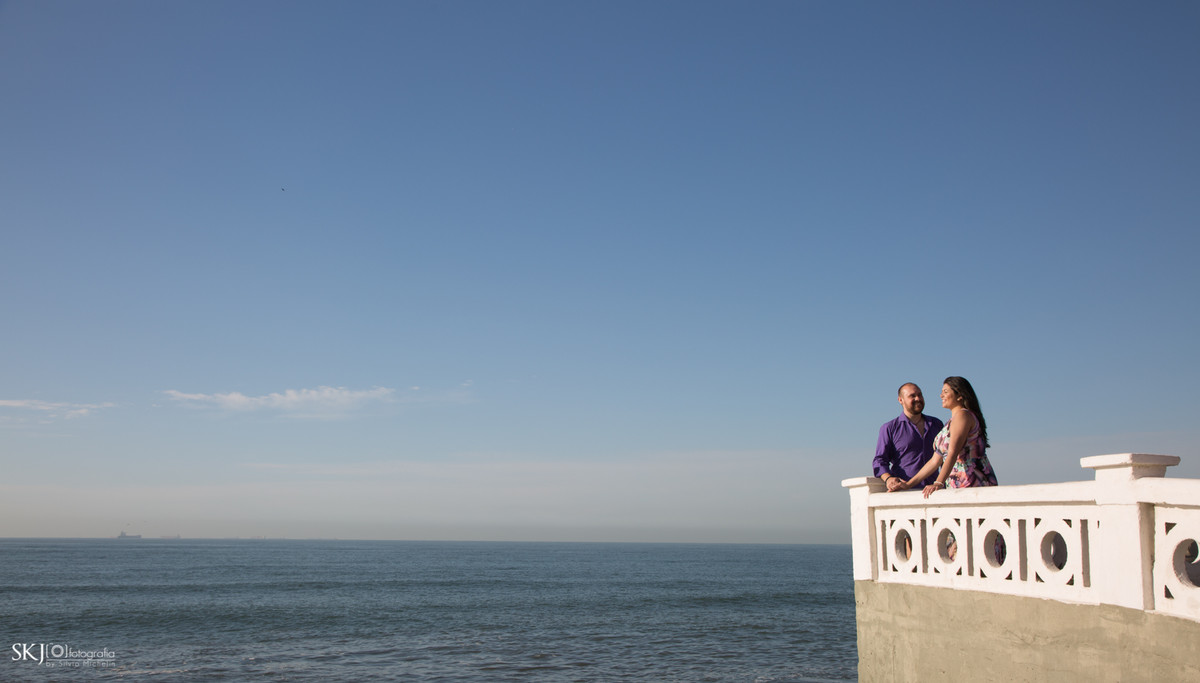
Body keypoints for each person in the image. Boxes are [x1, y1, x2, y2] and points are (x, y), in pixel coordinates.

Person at [903, 376, 998, 498]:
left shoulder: (963, 415)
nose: (941, 395)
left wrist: (938, 483)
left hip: (972, 483)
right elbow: (935, 461)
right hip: (958, 485)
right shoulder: (950, 422)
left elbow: (953, 452)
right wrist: (908, 485)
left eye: (946, 392)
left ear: (959, 395)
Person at [873, 383, 944, 492]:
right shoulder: (889, 428)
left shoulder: (936, 424)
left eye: (920, 395)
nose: (918, 398)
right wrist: (888, 479)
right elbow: (880, 460)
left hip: (935, 491)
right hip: (904, 492)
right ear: (900, 400)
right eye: (912, 396)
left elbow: (945, 457)